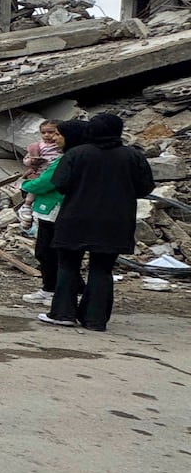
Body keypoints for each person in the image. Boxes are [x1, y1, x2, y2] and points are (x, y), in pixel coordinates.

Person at [41, 113, 154, 331]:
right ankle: (95, 320)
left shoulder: (76, 154)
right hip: (115, 220)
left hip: (76, 217)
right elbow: (145, 188)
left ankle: (63, 313)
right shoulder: (133, 156)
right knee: (102, 269)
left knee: (68, 265)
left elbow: (60, 184)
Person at [18, 120, 89, 309]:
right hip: (49, 210)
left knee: (54, 253)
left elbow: (47, 182)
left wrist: (25, 186)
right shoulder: (66, 156)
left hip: (56, 210)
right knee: (45, 252)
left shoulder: (69, 159)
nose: (54, 138)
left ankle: (68, 290)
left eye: (58, 134)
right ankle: (49, 288)